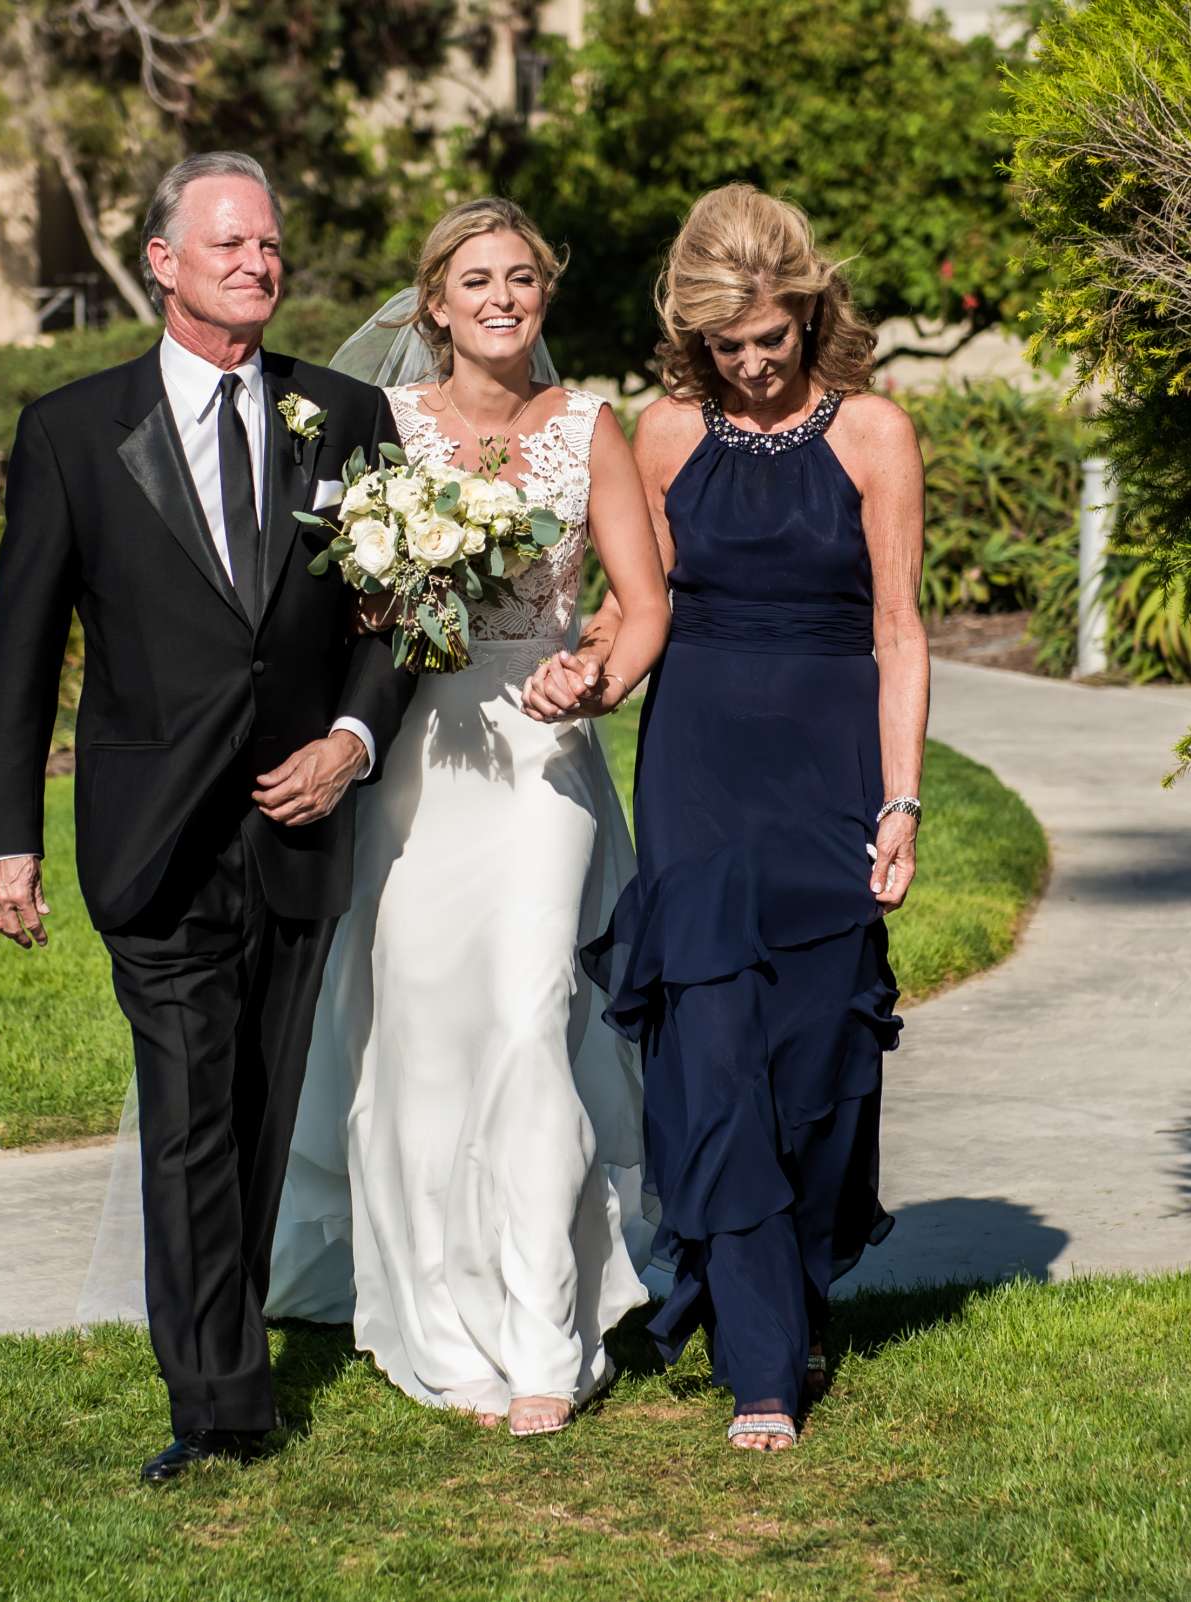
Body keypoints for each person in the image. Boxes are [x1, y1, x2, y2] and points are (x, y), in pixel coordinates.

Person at [0, 151, 417, 1485]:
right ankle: (218, 1401)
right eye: (230, 245)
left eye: (272, 246)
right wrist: (7, 837)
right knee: (185, 1111)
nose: (258, 264)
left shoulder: (345, 418)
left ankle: (231, 1345)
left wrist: (350, 739)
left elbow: (394, 624)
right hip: (152, 829)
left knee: (262, 1105)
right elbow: (20, 652)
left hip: (297, 821)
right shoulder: (70, 431)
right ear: (163, 262)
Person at [266, 199, 672, 1436]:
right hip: (410, 765)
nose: (505, 298)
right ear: (433, 306)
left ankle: (547, 1330)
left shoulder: (590, 429)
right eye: (478, 281)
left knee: (531, 1013)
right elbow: (326, 605)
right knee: (421, 1035)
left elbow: (644, 603)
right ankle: (443, 1325)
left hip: (540, 755)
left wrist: (595, 675)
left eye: (524, 279)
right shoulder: (377, 429)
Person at [573, 182, 929, 1452]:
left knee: (818, 1062)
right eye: (728, 346)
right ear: (695, 339)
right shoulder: (663, 435)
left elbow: (898, 628)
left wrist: (900, 799)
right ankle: (764, 1370)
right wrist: (589, 669)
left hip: (831, 769)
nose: (755, 364)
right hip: (700, 770)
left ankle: (787, 1276)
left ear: (808, 310)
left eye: (770, 338)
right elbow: (635, 607)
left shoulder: (875, 434)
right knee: (714, 1048)